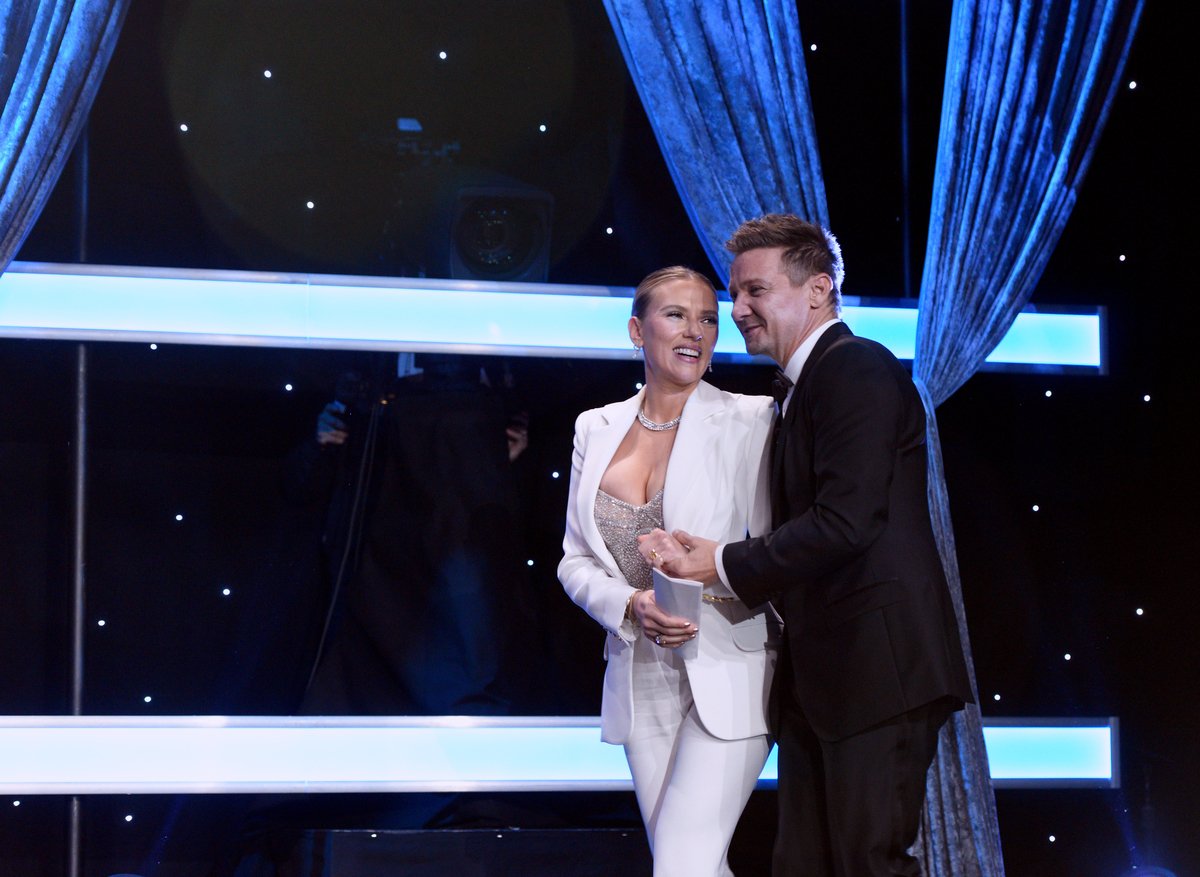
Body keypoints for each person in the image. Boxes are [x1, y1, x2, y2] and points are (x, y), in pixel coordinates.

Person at [639, 215, 974, 877]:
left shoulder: (856, 369)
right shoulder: (800, 388)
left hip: (879, 670)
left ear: (818, 289)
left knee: (866, 863)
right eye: (735, 294)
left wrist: (724, 560)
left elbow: (846, 522)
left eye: (755, 291)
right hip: (829, 677)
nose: (737, 310)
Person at [558, 266, 777, 877]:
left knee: (682, 866)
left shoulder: (753, 419)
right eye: (677, 315)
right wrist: (631, 604)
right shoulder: (594, 427)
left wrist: (711, 568)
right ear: (637, 330)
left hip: (730, 667)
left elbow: (778, 548)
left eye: (708, 318)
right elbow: (574, 561)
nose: (696, 331)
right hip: (640, 673)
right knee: (692, 866)